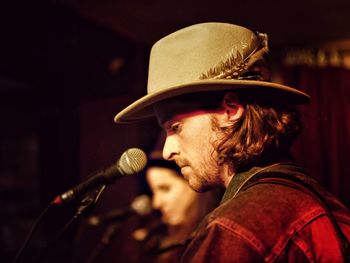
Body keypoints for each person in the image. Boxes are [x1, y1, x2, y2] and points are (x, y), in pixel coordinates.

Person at [114, 23, 350, 262]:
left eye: (176, 128)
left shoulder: (235, 228)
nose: (167, 151)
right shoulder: (310, 197)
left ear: (231, 110)